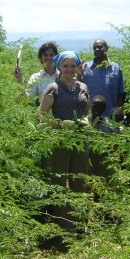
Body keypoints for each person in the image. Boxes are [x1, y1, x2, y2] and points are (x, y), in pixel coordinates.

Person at [38, 51, 90, 230]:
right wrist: (59, 125)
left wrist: (85, 122)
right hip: (60, 140)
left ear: (77, 67)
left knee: (80, 179)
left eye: (72, 66)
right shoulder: (53, 87)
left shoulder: (83, 87)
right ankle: (62, 221)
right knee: (59, 179)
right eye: (65, 66)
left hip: (80, 139)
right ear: (60, 67)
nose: (69, 69)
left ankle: (79, 219)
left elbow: (87, 112)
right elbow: (41, 114)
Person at [78, 39, 126, 118]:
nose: (97, 49)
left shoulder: (116, 68)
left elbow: (121, 93)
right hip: (90, 117)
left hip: (111, 117)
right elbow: (79, 89)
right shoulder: (86, 68)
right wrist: (79, 75)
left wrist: (119, 113)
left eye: (100, 47)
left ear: (106, 48)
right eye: (94, 48)